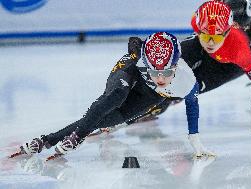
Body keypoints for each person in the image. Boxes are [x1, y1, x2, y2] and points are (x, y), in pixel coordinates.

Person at [11, 32, 214, 159]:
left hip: (152, 95)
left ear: (176, 66)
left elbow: (192, 106)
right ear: (147, 62)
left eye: (166, 73)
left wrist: (195, 140)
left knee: (111, 119)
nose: (160, 77)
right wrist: (80, 134)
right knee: (116, 96)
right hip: (131, 71)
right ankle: (76, 136)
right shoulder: (140, 55)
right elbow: (133, 42)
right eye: (155, 71)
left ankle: (47, 140)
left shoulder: (187, 81)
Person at [128, 1, 251, 136]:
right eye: (207, 32)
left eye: (219, 34)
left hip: (228, 66)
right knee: (173, 65)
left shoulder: (250, 46)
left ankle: (156, 104)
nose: (212, 40)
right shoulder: (202, 19)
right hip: (209, 48)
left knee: (179, 89)